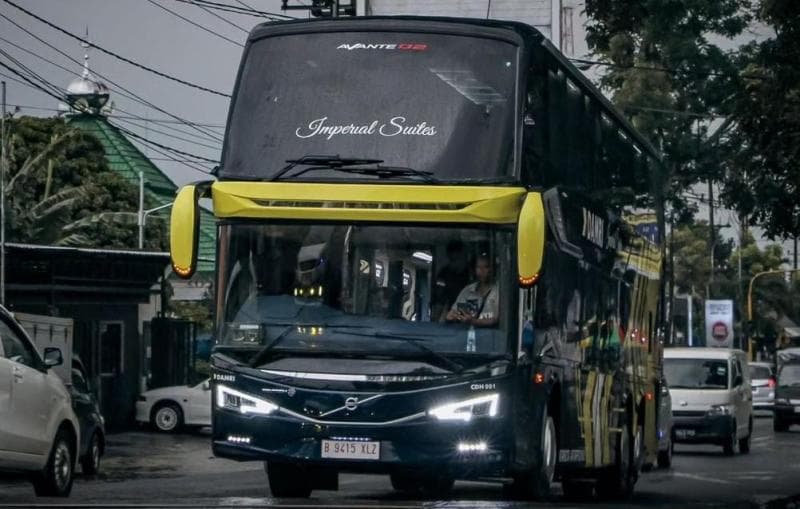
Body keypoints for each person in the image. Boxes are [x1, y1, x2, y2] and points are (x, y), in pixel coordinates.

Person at [446, 254, 499, 327]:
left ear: (492, 269)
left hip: (491, 336)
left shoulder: (498, 291)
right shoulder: (468, 291)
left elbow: (497, 319)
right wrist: (453, 316)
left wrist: (474, 321)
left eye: (486, 267)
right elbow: (455, 312)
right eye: (478, 267)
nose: (482, 271)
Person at [432, 240, 471, 320]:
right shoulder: (444, 274)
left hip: (473, 317)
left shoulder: (473, 273)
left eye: (459, 258)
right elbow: (439, 300)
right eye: (453, 259)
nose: (457, 263)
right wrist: (434, 321)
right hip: (452, 316)